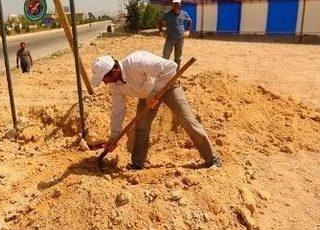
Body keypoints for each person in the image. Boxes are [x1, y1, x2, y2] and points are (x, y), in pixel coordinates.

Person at [91, 50, 222, 170]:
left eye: (104, 78)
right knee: (141, 126)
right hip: (148, 95)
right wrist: (114, 136)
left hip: (169, 87)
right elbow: (118, 110)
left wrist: (154, 93)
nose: (105, 83)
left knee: (188, 121)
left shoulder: (135, 62)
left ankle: (212, 159)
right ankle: (137, 164)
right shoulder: (115, 86)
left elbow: (171, 67)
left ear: (114, 71)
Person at [158, 0, 191, 68]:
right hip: (170, 38)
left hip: (180, 38)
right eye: (174, 4)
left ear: (180, 4)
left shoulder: (184, 13)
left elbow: (189, 21)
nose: (176, 5)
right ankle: (163, 72)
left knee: (178, 58)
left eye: (177, 4)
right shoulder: (167, 14)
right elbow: (160, 21)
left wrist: (188, 30)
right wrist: (161, 31)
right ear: (172, 4)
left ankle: (176, 73)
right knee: (165, 56)